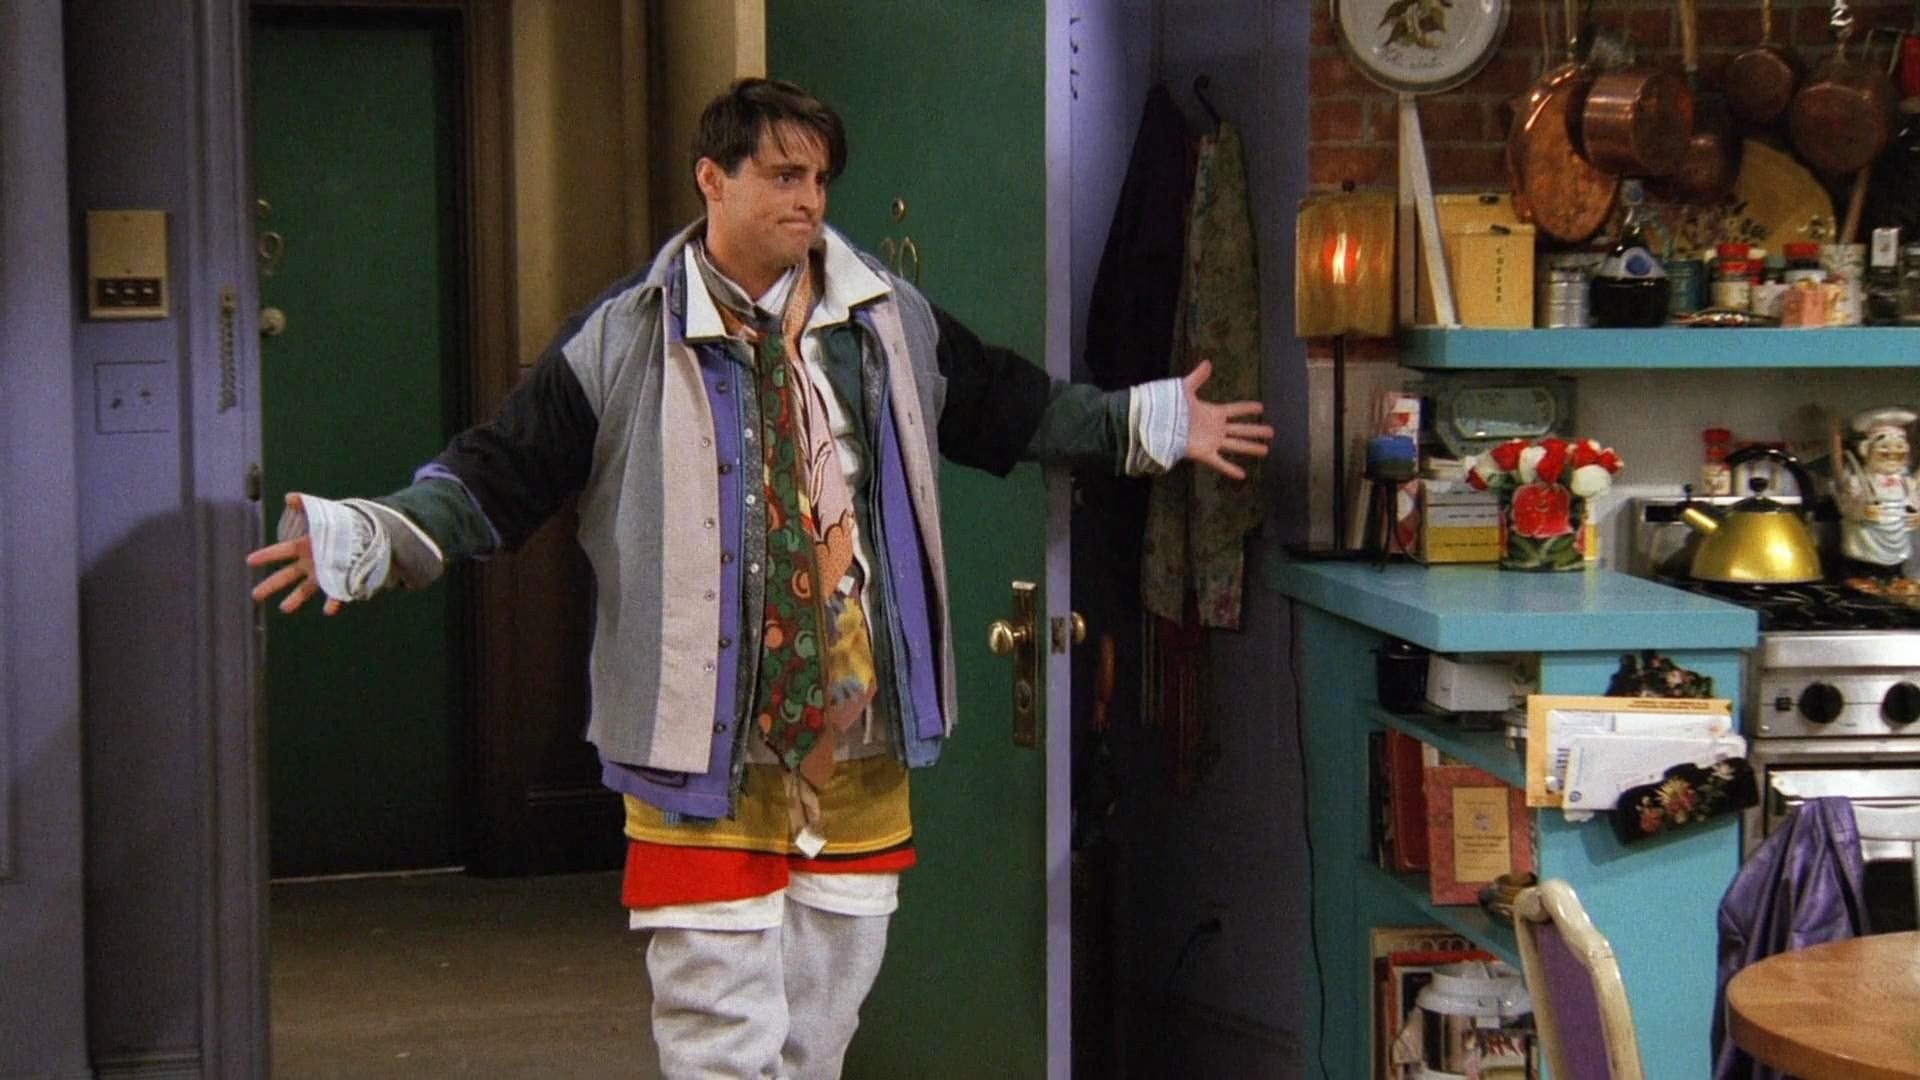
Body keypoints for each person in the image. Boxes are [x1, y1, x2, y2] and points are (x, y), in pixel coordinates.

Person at [248, 77, 1273, 1078]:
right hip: (705, 749)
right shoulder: (628, 335)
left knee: (817, 1041)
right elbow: (499, 473)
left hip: (856, 741)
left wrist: (1149, 421)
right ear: (713, 178)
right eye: (785, 176)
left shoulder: (883, 321)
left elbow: (1011, 405)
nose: (810, 201)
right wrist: (376, 535)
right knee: (719, 1045)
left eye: (820, 179)